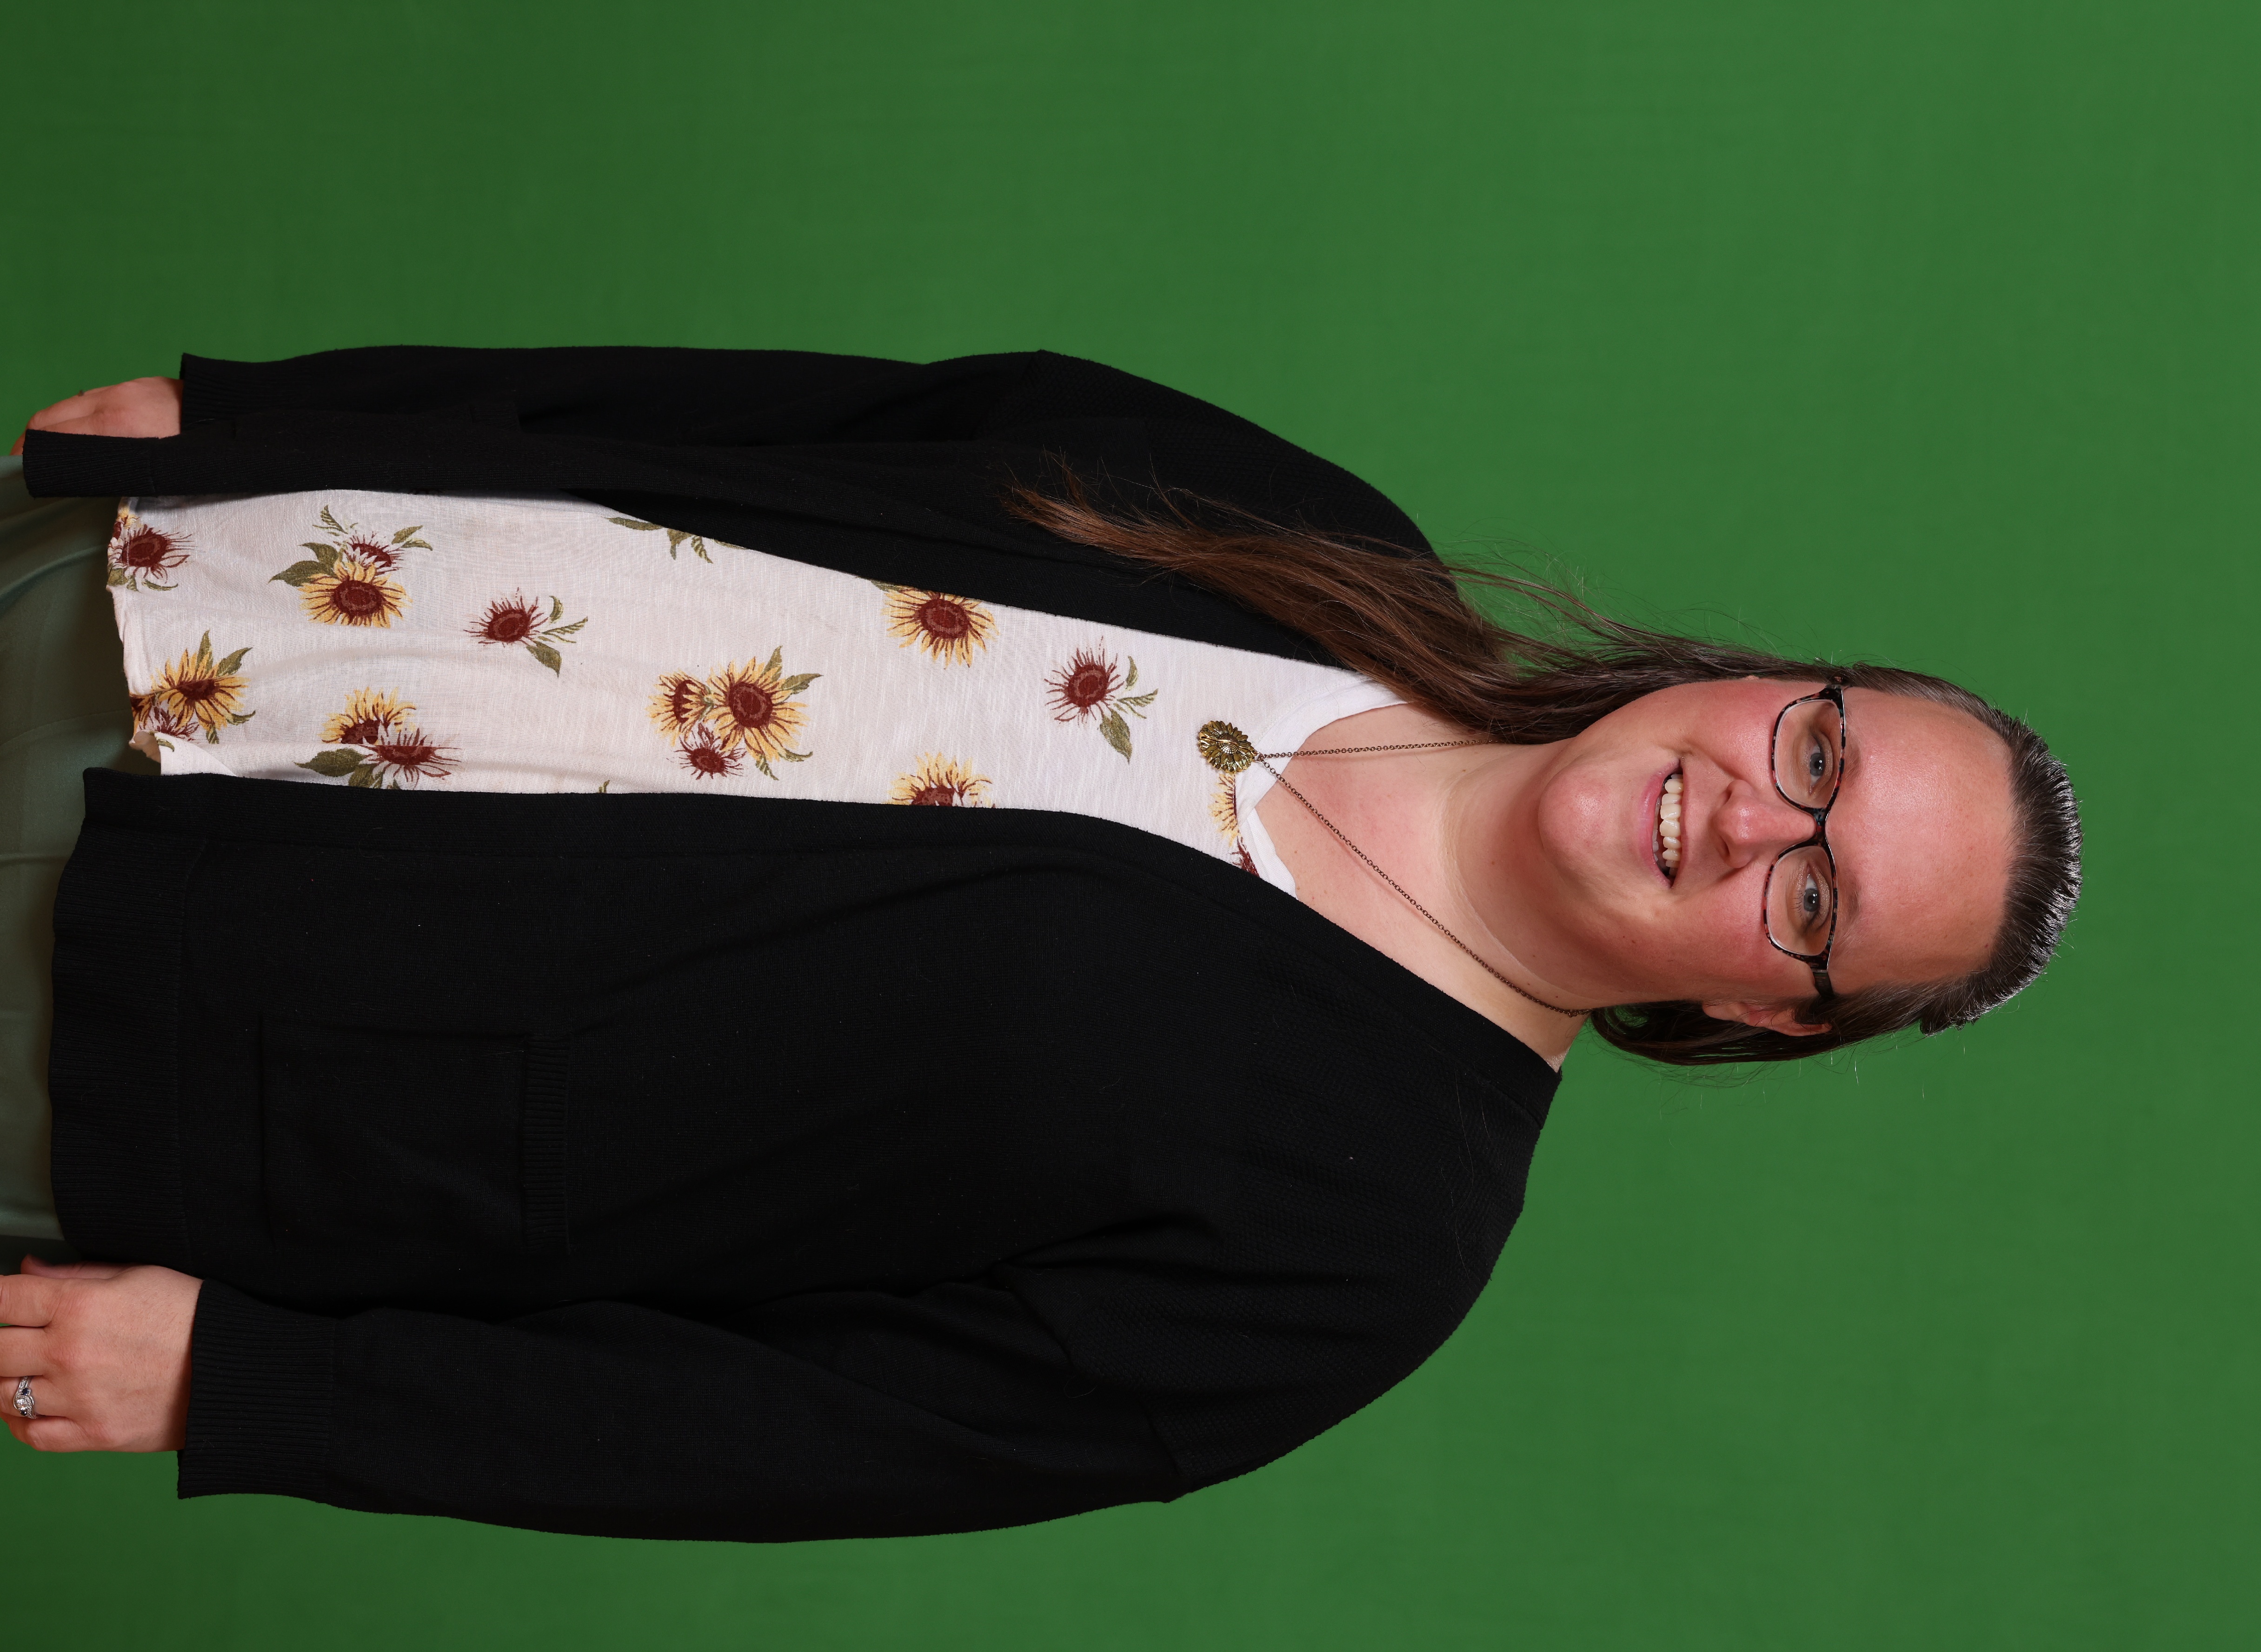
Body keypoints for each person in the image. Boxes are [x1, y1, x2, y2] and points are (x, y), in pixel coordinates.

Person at [0, 350, 2080, 1540]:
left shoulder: (1360, 1253)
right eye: (1819, 749)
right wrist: (267, 403)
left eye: (1817, 900)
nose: (1756, 816)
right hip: (189, 587)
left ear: (1760, 1013)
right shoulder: (1324, 536)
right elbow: (815, 416)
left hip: (175, 1015)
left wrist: (259, 1387)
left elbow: (796, 1434)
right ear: (1771, 680)